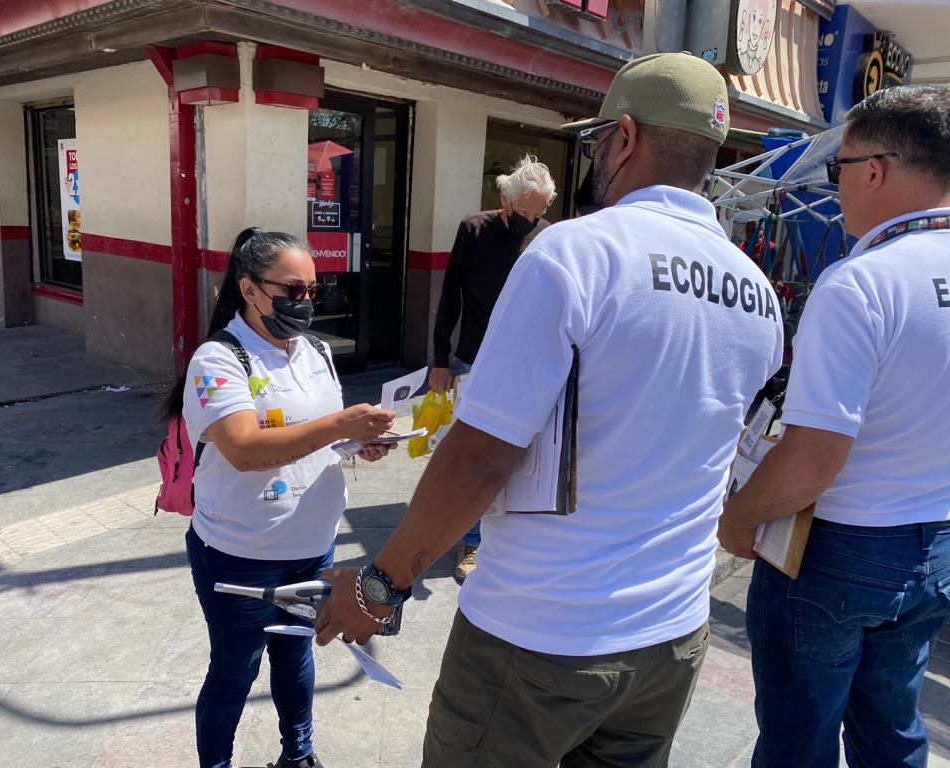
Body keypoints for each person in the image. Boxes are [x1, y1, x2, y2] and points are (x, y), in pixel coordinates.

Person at [316, 53, 784, 767]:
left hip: (540, 635)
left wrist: (381, 584)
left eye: (597, 141)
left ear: (626, 136)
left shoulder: (577, 252)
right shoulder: (758, 293)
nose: (594, 157)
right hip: (671, 639)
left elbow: (481, 459)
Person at [718, 85, 950, 768]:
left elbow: (813, 459)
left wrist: (739, 518)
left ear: (873, 170)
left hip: (838, 550)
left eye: (836, 168)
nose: (835, 186)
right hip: (936, 540)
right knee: (891, 733)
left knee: (798, 742)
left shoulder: (861, 284)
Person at [169, 228, 396, 768]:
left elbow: (319, 438)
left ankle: (298, 754)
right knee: (235, 671)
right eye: (293, 290)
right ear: (249, 289)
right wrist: (340, 424)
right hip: (240, 554)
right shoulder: (218, 360)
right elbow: (245, 450)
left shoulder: (317, 351)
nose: (306, 302)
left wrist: (355, 444)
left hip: (313, 549)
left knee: (296, 658)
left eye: (314, 290)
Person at [428, 154, 556, 583]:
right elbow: (451, 295)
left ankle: (504, 535)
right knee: (471, 453)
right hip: (474, 360)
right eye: (525, 212)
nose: (531, 221)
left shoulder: (547, 235)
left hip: (524, 361)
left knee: (517, 455)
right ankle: (469, 540)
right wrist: (440, 360)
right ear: (505, 199)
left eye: (540, 212)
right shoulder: (474, 229)